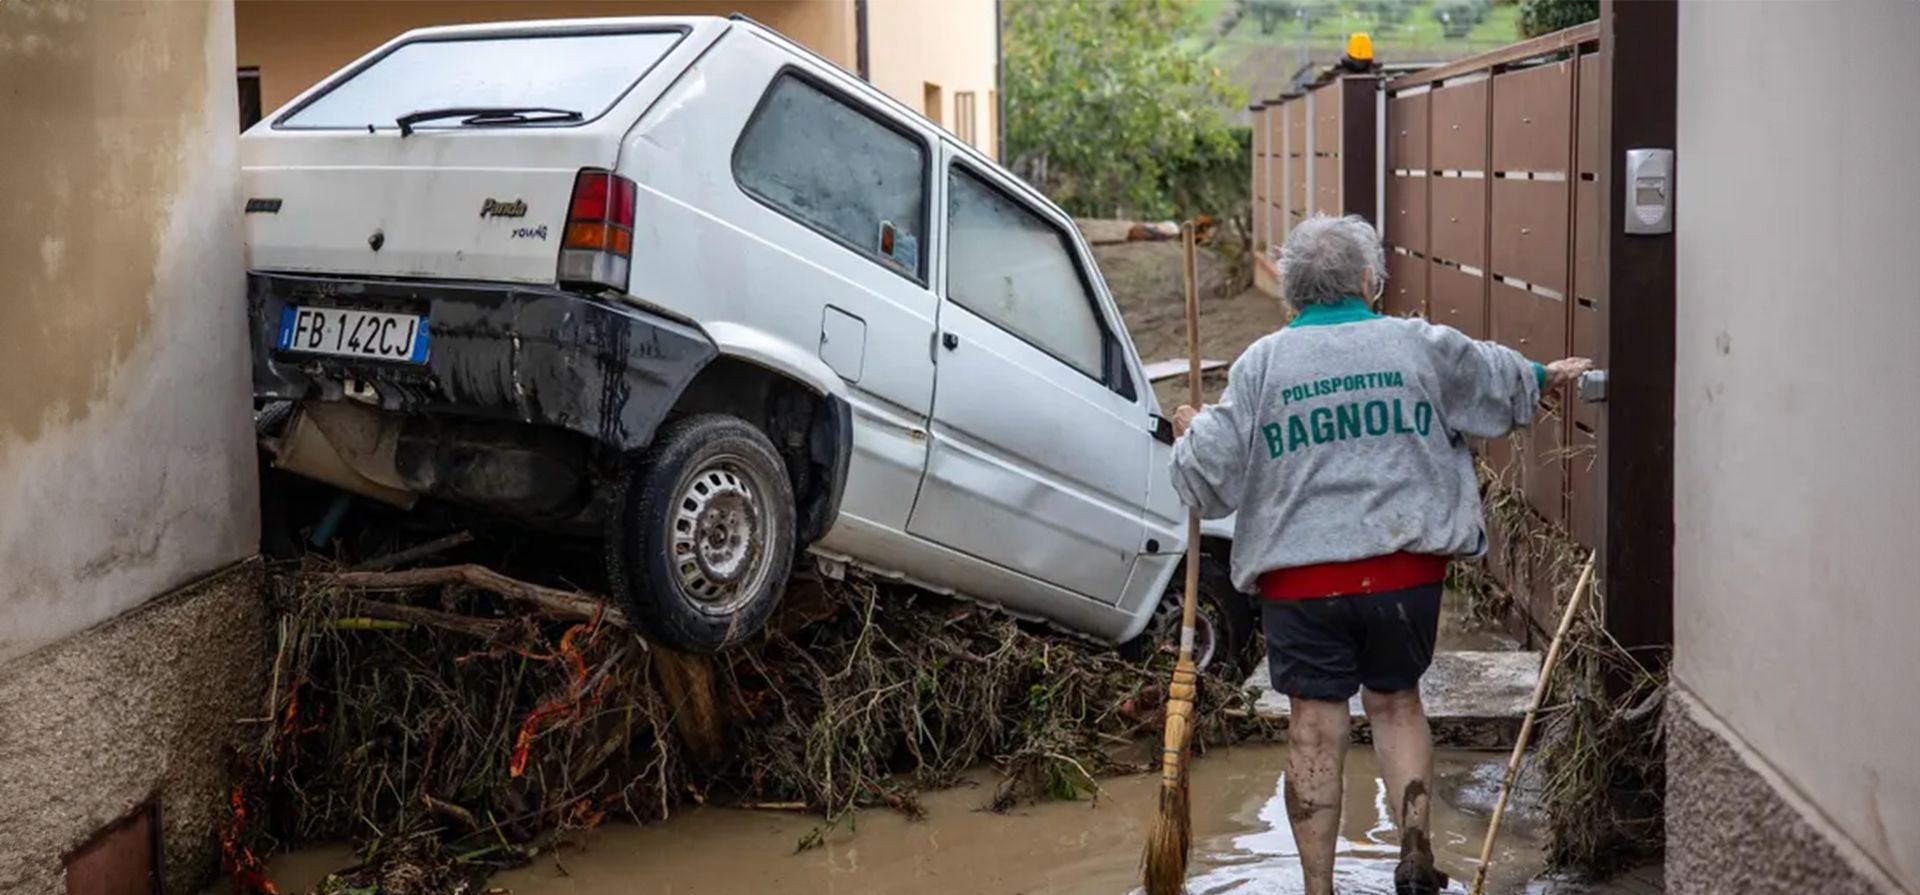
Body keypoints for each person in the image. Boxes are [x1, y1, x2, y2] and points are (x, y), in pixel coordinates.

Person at [1169, 214, 1591, 895]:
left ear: (1291, 290)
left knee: (1315, 723)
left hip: (1301, 582)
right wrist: (1546, 373)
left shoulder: (1261, 365)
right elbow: (1497, 378)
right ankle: (1416, 849)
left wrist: (1190, 436)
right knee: (1396, 703)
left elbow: (1207, 479)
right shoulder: (1416, 344)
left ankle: (1317, 889)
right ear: (1368, 281)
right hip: (1405, 573)